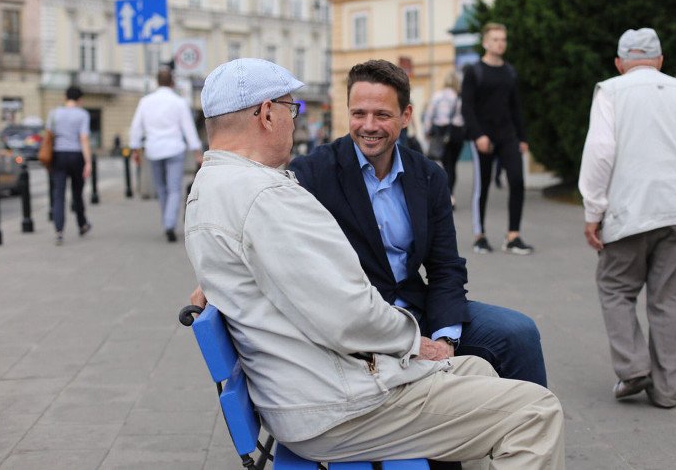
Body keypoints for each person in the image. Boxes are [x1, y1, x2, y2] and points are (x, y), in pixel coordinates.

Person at [185, 57, 565, 468]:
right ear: (265, 114)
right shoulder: (269, 195)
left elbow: (443, 268)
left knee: (476, 368)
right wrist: (411, 342)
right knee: (537, 411)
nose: (294, 122)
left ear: (404, 117)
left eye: (381, 114)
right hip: (336, 405)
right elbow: (348, 316)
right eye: (291, 109)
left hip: (312, 388)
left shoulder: (209, 187)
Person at [578, 28, 676, 408]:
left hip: (628, 210)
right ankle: (669, 389)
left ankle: (633, 367)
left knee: (615, 288)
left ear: (619, 63)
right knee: (670, 299)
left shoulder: (610, 90)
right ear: (660, 61)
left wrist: (593, 211)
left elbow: (600, 153)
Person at [461, 23, 532, 255]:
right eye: (495, 39)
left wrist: (522, 137)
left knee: (518, 182)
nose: (500, 43)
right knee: (482, 187)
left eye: (503, 39)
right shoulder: (474, 71)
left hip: (508, 135)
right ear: (485, 42)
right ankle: (479, 236)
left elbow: (516, 107)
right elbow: (467, 108)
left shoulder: (510, 71)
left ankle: (513, 236)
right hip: (483, 137)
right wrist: (478, 135)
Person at [129, 69, 202, 242]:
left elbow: (136, 126)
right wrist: (197, 151)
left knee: (161, 188)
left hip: (153, 150)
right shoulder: (179, 102)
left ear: (157, 82)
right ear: (172, 82)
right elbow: (188, 129)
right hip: (174, 149)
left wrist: (135, 149)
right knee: (174, 188)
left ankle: (166, 222)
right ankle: (170, 223)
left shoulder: (145, 102)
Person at [47, 86, 92, 246]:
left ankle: (59, 231)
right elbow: (84, 138)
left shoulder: (54, 113)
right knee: (77, 193)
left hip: (58, 155)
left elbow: (49, 135)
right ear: (80, 99)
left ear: (65, 97)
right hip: (76, 155)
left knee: (58, 194)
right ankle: (82, 224)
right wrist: (88, 162)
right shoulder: (82, 114)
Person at [422, 69, 466, 208]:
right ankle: (451, 195)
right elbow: (465, 117)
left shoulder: (438, 96)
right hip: (457, 133)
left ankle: (448, 196)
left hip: (442, 132)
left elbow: (429, 115)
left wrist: (427, 131)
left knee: (445, 165)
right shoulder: (460, 98)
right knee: (452, 165)